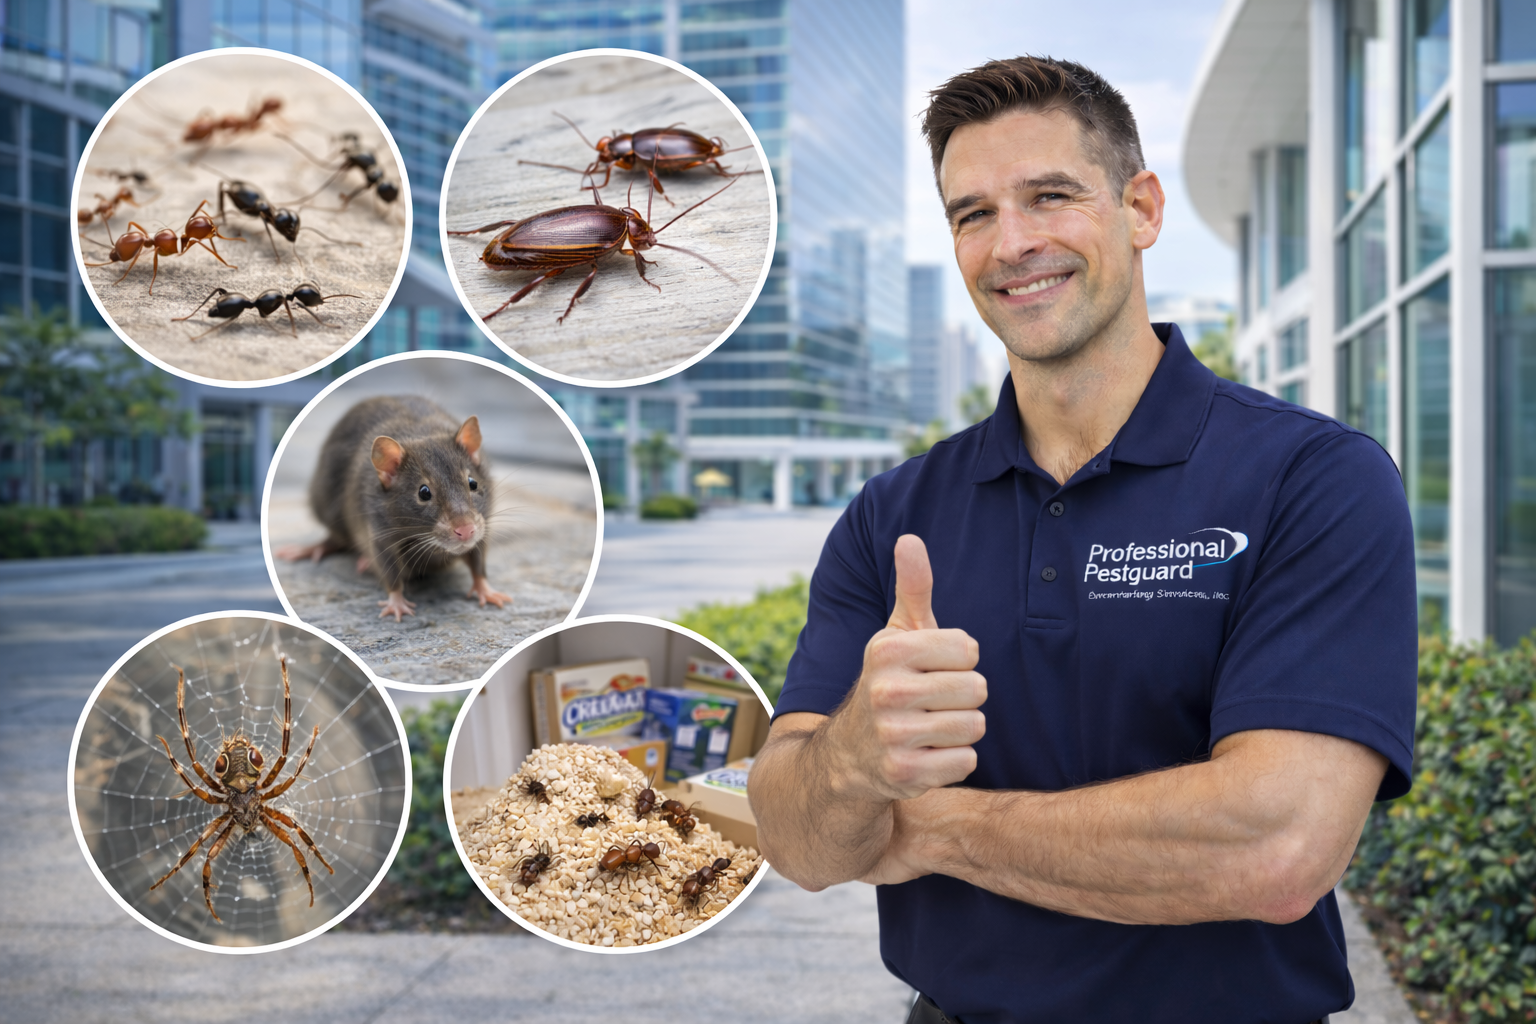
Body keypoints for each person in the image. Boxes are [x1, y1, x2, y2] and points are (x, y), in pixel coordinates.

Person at [747, 56, 1418, 1024]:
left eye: (1049, 196)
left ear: (1140, 209)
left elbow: (1274, 851)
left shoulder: (1311, 478)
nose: (1011, 243)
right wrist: (851, 758)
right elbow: (796, 838)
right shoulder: (894, 514)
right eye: (972, 213)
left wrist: (926, 826)